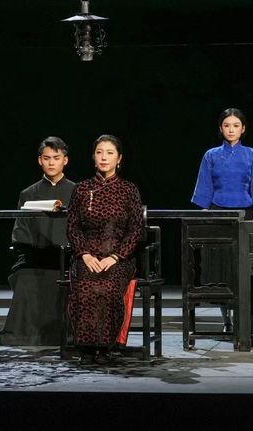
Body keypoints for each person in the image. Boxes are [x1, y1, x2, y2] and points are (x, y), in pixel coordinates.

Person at [190, 107, 253, 331]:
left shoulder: (251, 154)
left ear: (243, 129)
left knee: (244, 266)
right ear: (221, 128)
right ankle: (226, 319)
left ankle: (245, 320)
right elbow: (205, 188)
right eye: (227, 125)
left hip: (245, 214)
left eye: (236, 125)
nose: (231, 130)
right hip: (218, 214)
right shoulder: (211, 155)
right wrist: (206, 215)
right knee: (221, 267)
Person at [66, 134, 144, 364]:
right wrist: (85, 254)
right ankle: (86, 348)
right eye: (99, 152)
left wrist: (115, 257)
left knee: (107, 286)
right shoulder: (82, 189)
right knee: (87, 285)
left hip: (119, 258)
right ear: (93, 157)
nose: (104, 157)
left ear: (119, 159)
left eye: (110, 153)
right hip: (87, 256)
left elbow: (135, 229)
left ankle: (105, 347)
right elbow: (72, 227)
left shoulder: (129, 190)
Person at [0, 136, 78, 347]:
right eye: (47, 158)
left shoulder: (77, 192)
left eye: (56, 158)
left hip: (69, 258)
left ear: (65, 161)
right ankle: (23, 337)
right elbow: (20, 232)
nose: (51, 163)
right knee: (25, 276)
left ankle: (69, 336)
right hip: (35, 257)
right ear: (40, 160)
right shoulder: (28, 194)